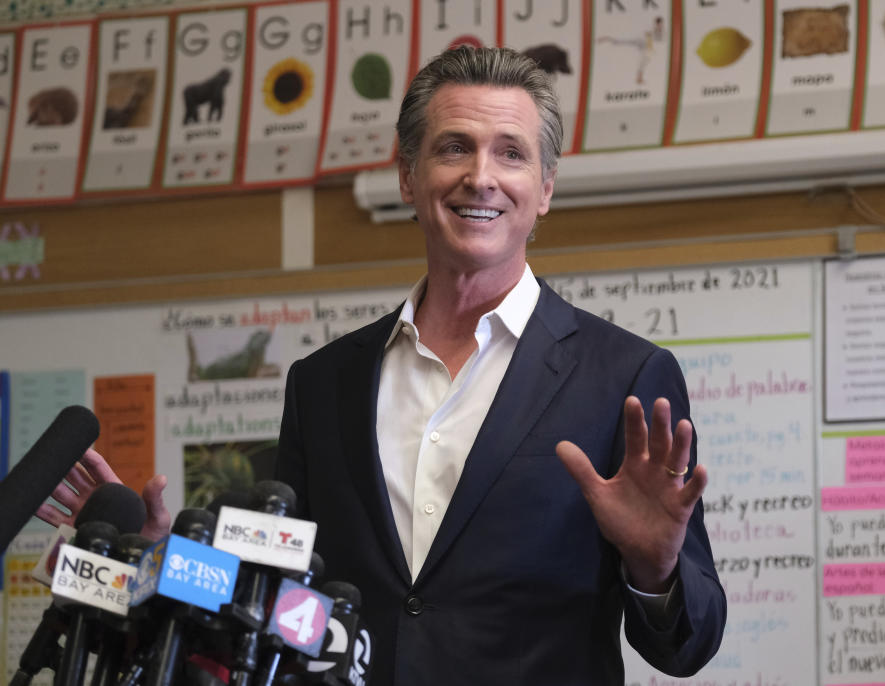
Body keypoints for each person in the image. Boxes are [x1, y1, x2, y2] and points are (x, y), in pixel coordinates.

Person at [41, 46, 725, 685]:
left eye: (510, 154)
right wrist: (167, 560)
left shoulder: (624, 377)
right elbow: (280, 595)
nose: (479, 176)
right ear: (407, 174)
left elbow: (687, 646)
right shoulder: (324, 383)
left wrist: (654, 567)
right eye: (453, 147)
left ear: (543, 188)